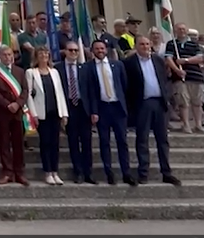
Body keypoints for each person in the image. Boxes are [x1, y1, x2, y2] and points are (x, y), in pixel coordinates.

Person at [123, 36, 180, 186]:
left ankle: (166, 172)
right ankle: (143, 173)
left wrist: (167, 97)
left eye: (147, 44)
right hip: (143, 104)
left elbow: (164, 80)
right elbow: (127, 85)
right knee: (142, 139)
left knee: (163, 140)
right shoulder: (129, 63)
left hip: (160, 103)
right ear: (136, 46)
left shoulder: (158, 60)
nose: (145, 47)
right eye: (142, 44)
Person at [82, 39, 133, 186]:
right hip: (101, 108)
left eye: (102, 48)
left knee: (122, 141)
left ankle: (126, 173)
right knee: (104, 142)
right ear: (92, 51)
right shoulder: (88, 67)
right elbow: (90, 91)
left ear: (106, 50)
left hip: (117, 107)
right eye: (97, 48)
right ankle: (109, 173)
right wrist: (93, 111)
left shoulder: (117, 65)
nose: (100, 51)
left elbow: (124, 85)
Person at [26, 46, 68, 185]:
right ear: (36, 56)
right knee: (45, 142)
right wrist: (33, 114)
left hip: (55, 112)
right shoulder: (31, 73)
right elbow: (29, 95)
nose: (44, 55)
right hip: (41, 113)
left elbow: (60, 93)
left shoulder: (54, 72)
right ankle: (48, 172)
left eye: (46, 53)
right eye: (41, 53)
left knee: (55, 143)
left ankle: (55, 172)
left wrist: (64, 114)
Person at [0, 44, 28, 186]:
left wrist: (18, 104)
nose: (7, 57)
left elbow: (25, 90)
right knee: (4, 142)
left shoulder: (20, 71)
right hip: (2, 112)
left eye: (10, 54)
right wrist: (7, 104)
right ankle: (7, 172)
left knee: (18, 143)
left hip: (17, 112)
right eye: (4, 55)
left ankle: (19, 172)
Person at [58, 41, 94, 183]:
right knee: (73, 141)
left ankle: (88, 172)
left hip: (83, 108)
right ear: (65, 51)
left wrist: (93, 111)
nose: (73, 53)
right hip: (68, 107)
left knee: (87, 141)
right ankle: (78, 171)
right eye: (70, 50)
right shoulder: (58, 69)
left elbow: (91, 91)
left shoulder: (85, 68)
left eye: (76, 50)